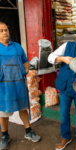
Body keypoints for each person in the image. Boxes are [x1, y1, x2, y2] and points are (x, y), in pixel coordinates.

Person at [0, 22, 41, 150]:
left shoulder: (17, 47)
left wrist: (26, 70)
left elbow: (25, 61)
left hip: (18, 84)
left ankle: (28, 131)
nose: (5, 33)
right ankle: (5, 136)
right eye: (1, 31)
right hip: (3, 87)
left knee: (23, 108)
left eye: (6, 30)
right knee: (4, 112)